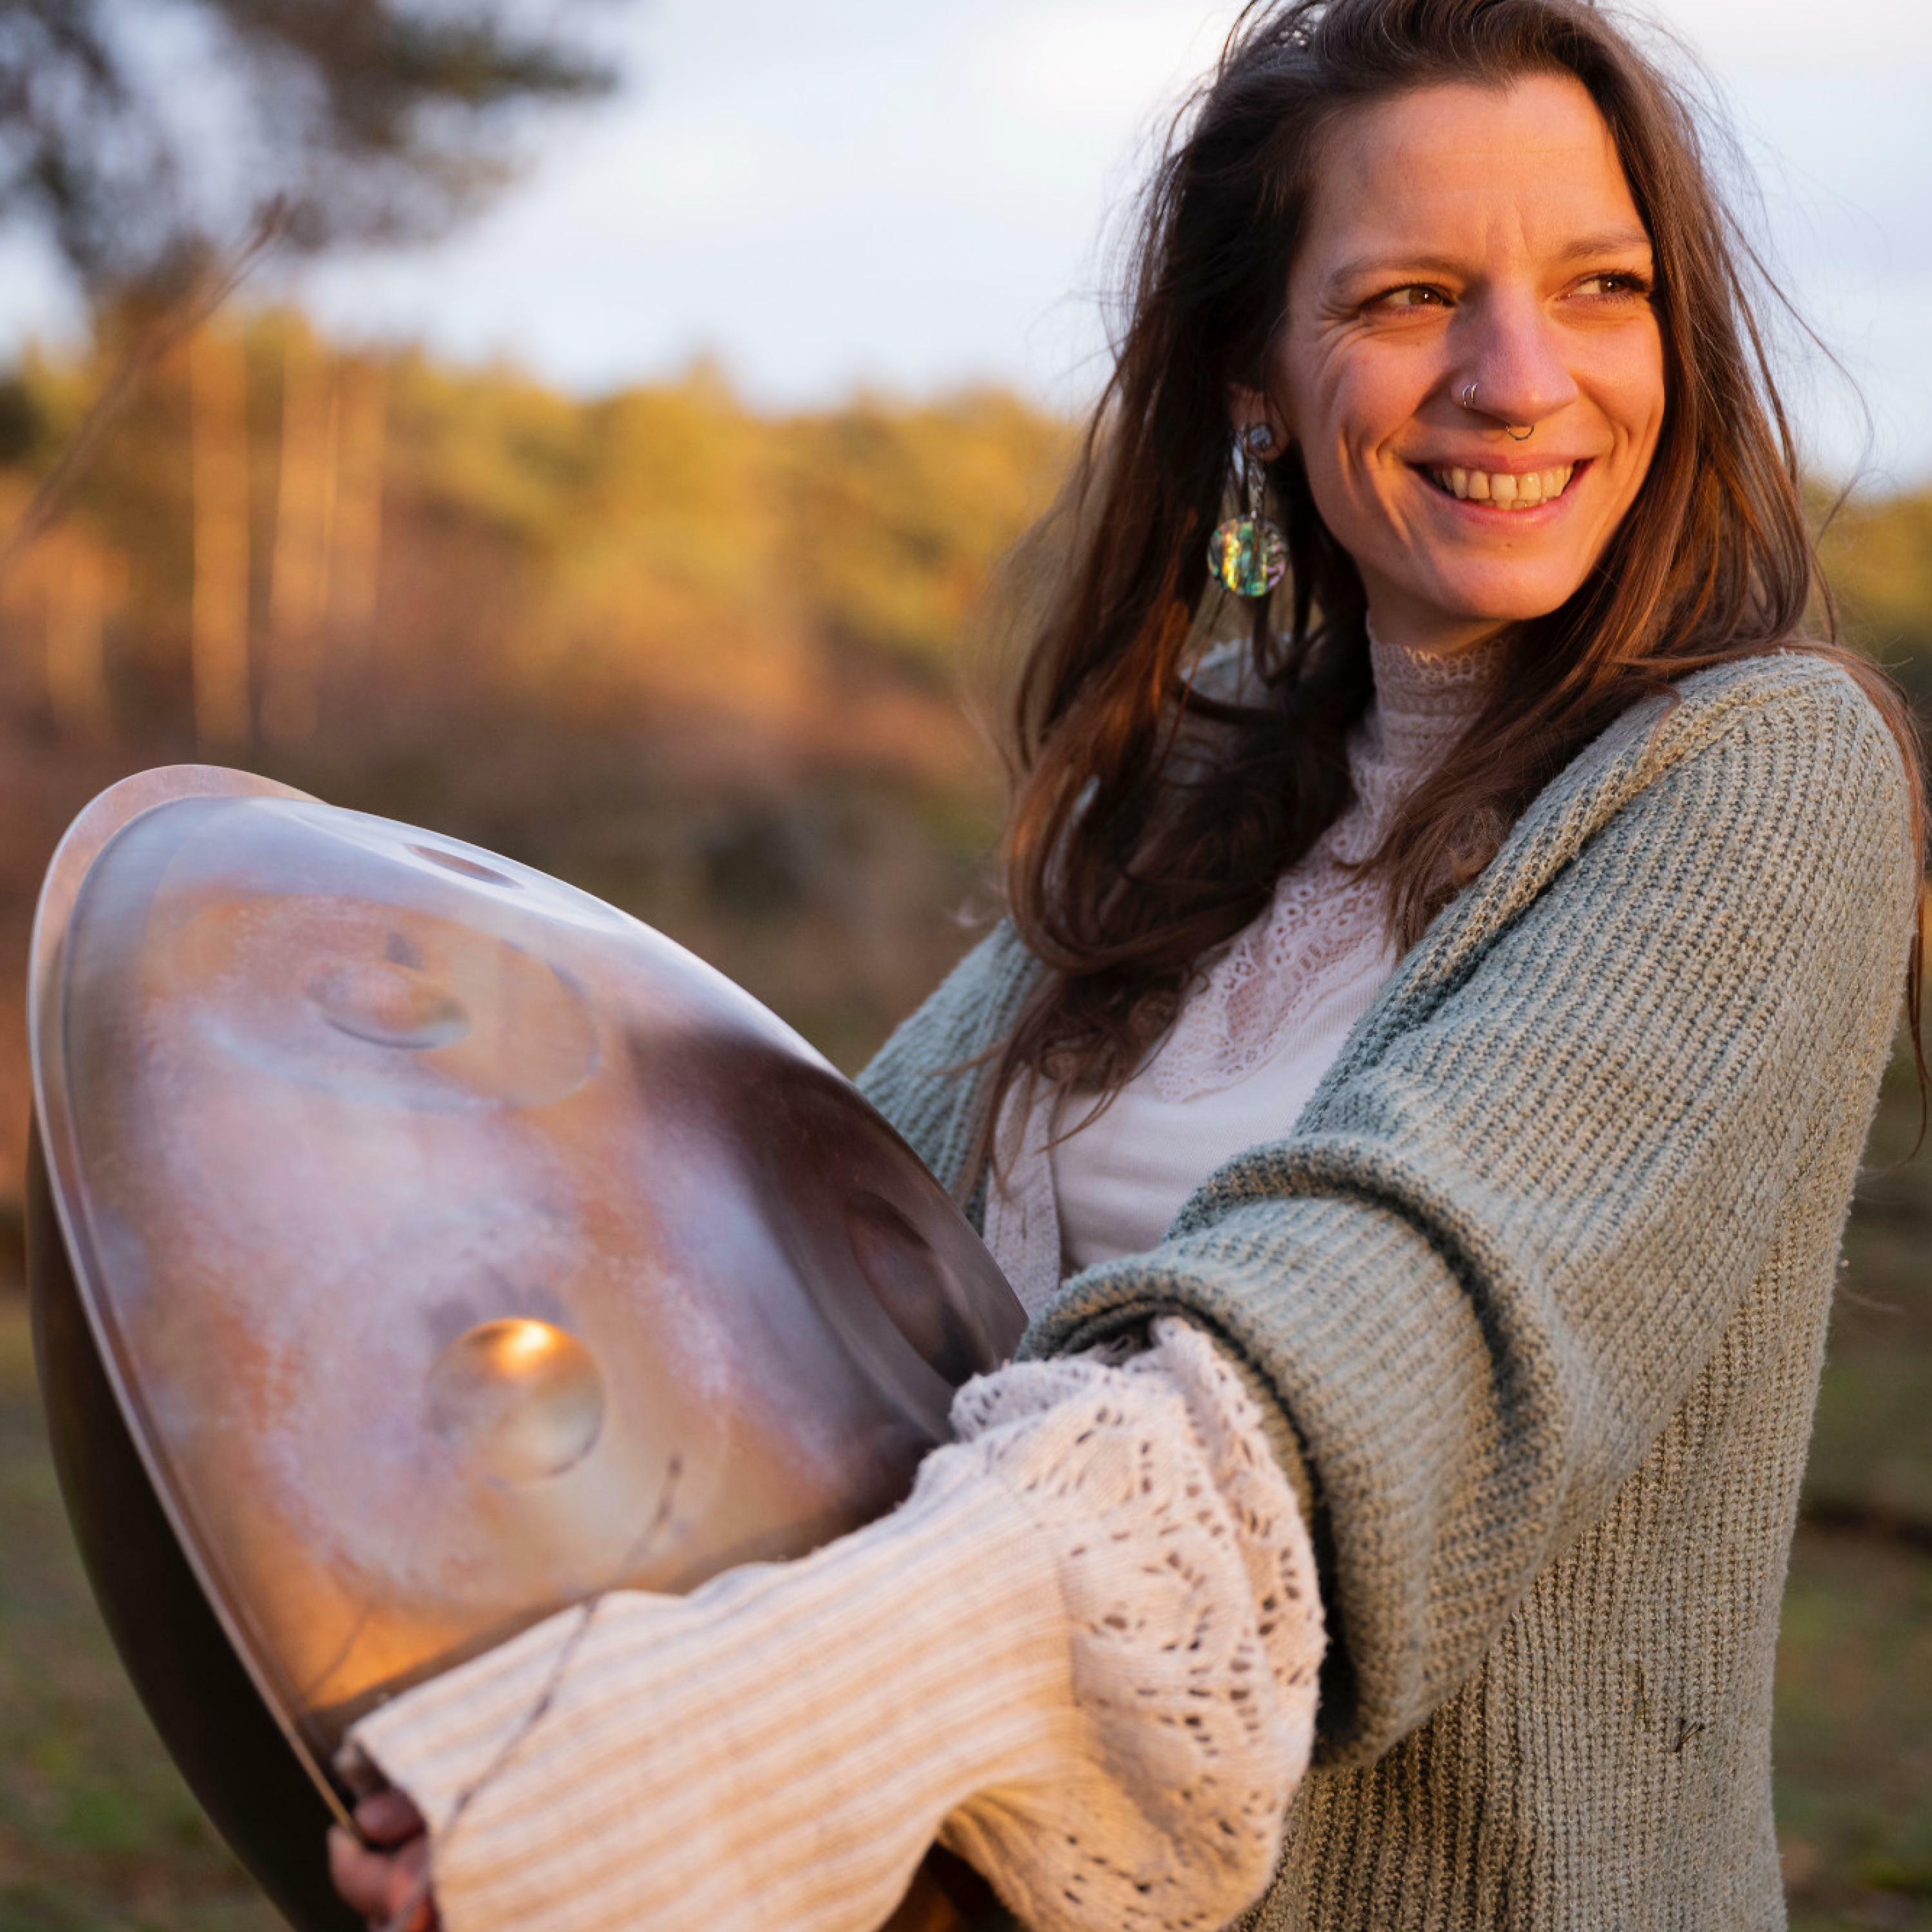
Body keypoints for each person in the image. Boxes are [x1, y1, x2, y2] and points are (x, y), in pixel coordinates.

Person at [328, 0, 1928, 1927]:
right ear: (1259, 382)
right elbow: (807, 1261)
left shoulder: (1754, 776)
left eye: (1605, 287)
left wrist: (696, 1760)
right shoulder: (1187, 790)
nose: (1520, 379)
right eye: (1413, 297)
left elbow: (1348, 1366)